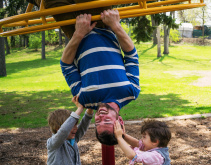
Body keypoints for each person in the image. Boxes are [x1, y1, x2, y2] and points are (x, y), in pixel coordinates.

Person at [27, 0, 140, 145]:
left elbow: (66, 65)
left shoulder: (84, 99)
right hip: (104, 23)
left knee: (51, 2)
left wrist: (79, 33)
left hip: (74, 29)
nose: (100, 117)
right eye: (107, 121)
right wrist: (115, 26)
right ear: (119, 121)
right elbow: (131, 55)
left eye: (98, 122)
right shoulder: (130, 92)